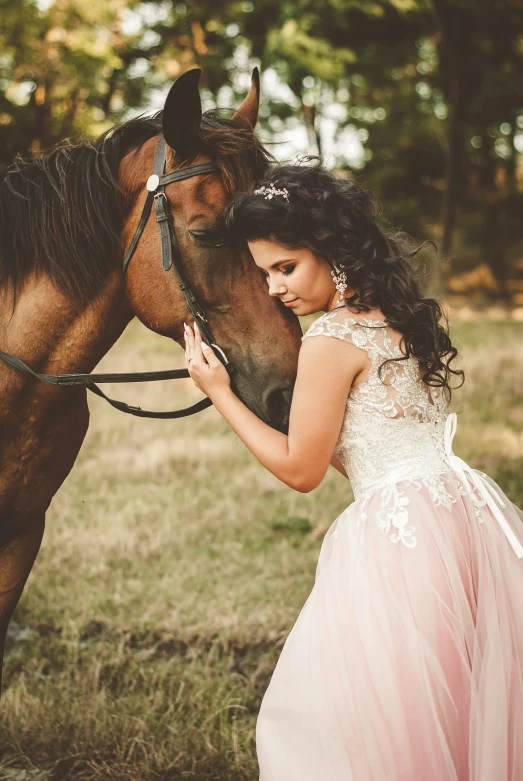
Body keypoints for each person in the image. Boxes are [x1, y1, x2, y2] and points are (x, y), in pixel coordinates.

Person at [182, 159, 523, 781]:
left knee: (367, 713)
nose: (274, 289)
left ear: (331, 249)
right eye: (264, 274)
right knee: (464, 690)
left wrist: (218, 391)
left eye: (286, 267)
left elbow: (300, 471)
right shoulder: (409, 315)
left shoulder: (331, 339)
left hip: (399, 540)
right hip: (464, 511)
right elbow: (377, 445)